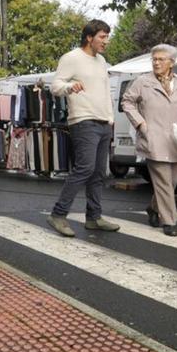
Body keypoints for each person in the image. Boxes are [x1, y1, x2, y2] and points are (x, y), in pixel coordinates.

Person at [47, 20, 120, 237]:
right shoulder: (71, 58)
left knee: (98, 173)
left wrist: (111, 119)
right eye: (102, 37)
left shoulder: (102, 61)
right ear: (89, 37)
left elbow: (106, 92)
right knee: (85, 169)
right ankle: (58, 215)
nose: (106, 41)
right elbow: (55, 86)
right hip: (83, 120)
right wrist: (70, 86)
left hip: (103, 122)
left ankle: (94, 217)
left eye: (107, 36)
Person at [120, 44, 177, 237]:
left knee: (171, 183)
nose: (156, 62)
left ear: (172, 62)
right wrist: (140, 124)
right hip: (153, 138)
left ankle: (154, 208)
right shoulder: (142, 81)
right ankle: (169, 221)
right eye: (154, 59)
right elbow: (127, 102)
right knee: (163, 182)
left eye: (161, 59)